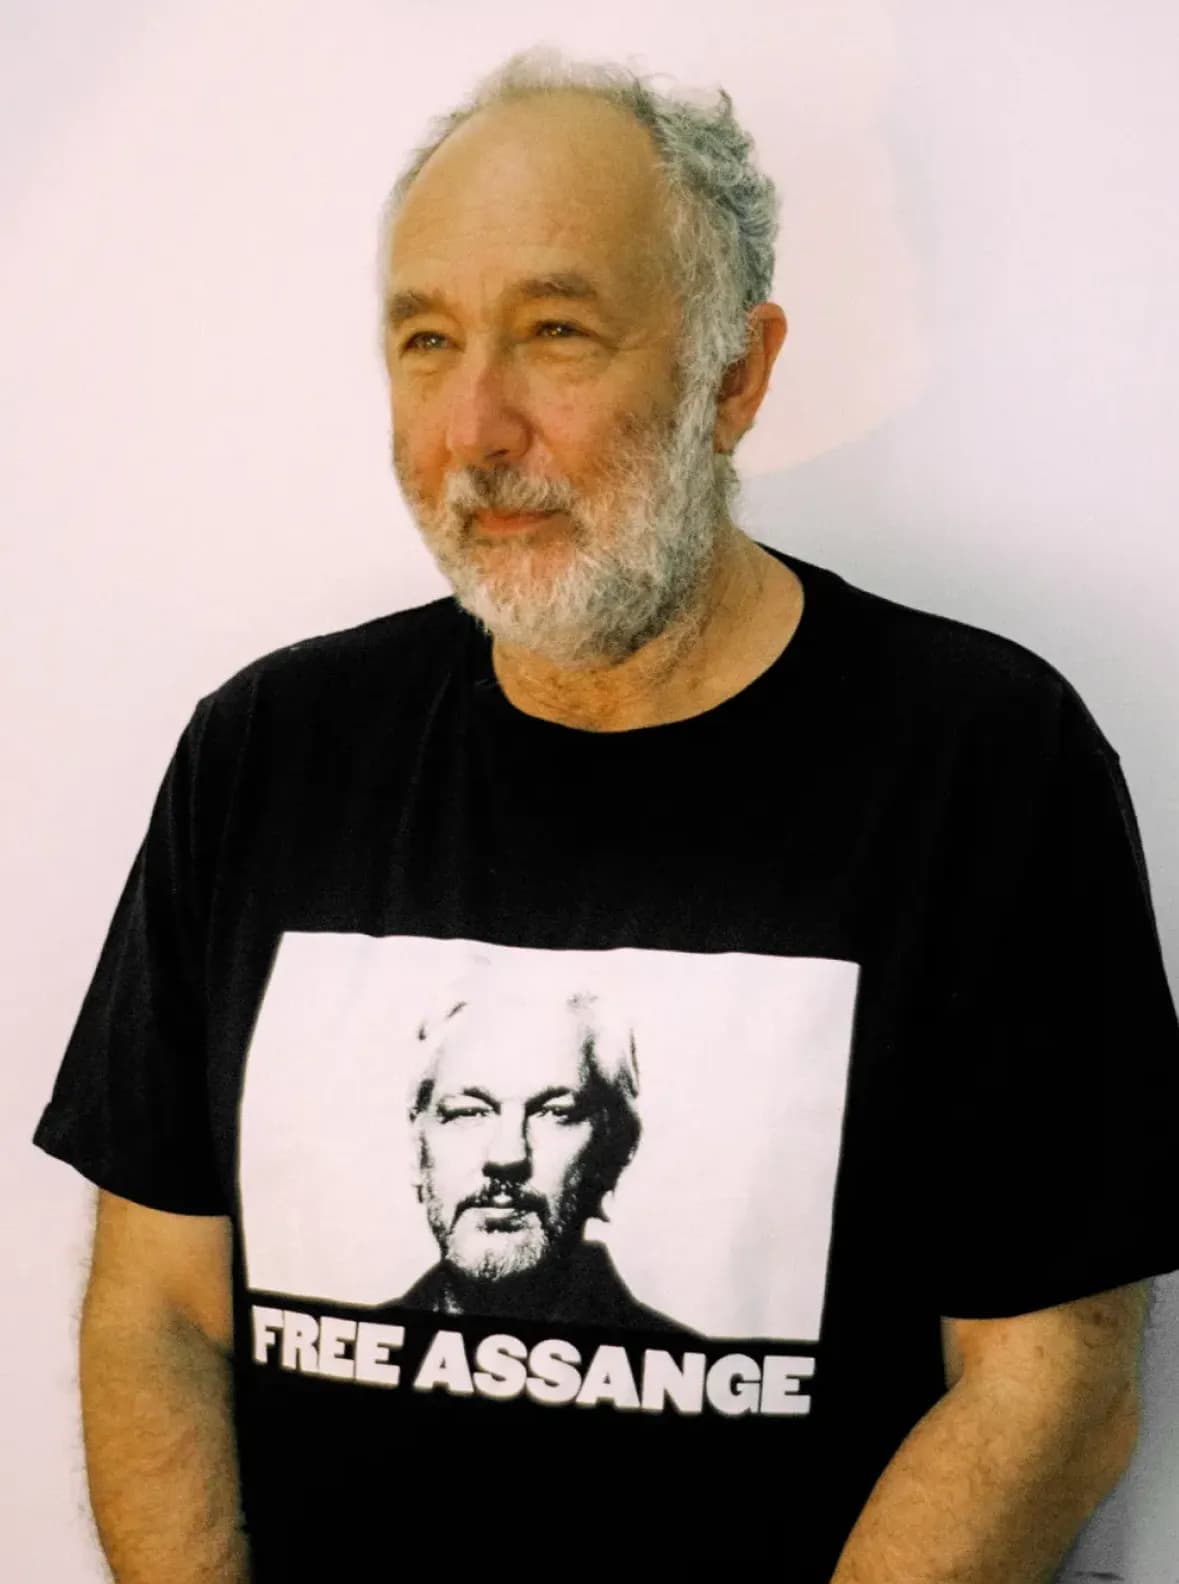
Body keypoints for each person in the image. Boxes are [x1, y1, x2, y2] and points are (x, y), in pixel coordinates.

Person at [31, 42, 1179, 1584]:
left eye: (555, 334)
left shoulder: (982, 763)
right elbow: (158, 1307)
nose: (476, 429)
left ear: (734, 374)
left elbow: (1048, 1387)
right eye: (425, 341)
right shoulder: (267, 753)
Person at [385, 973, 693, 1331]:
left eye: (555, 1113)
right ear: (416, 1148)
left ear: (613, 1151)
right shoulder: (352, 1347)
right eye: (468, 1112)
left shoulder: (680, 1370)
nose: (506, 1157)